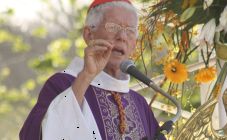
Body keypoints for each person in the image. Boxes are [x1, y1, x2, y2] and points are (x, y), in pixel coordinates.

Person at [20, 0, 165, 139]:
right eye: (113, 27)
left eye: (130, 31)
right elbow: (38, 134)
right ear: (89, 34)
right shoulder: (62, 83)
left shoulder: (139, 102)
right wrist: (87, 75)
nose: (122, 37)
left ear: (134, 44)